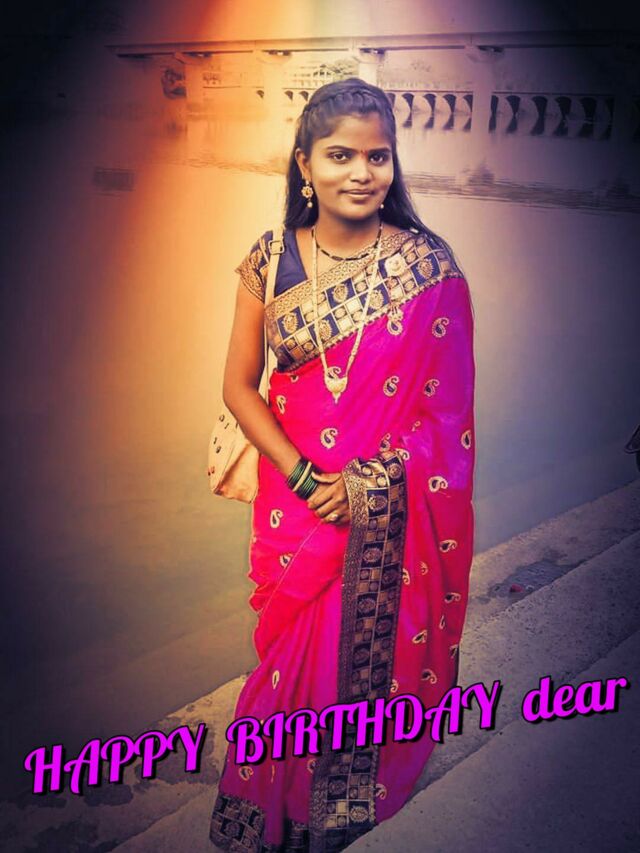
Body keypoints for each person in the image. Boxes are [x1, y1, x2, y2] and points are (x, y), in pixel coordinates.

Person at [209, 77, 475, 852]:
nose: (362, 173)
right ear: (304, 164)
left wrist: (364, 489)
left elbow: (447, 418)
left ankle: (335, 802)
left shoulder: (429, 268)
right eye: (340, 155)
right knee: (285, 667)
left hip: (378, 513)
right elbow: (238, 385)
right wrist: (304, 478)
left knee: (349, 669)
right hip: (293, 505)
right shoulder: (269, 260)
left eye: (377, 156)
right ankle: (273, 809)